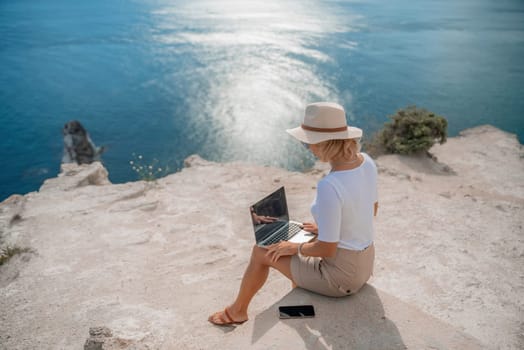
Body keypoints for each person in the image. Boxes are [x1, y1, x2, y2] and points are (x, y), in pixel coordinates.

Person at [208, 102, 378, 325]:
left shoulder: (331, 185)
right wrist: (324, 229)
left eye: (309, 143)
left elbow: (327, 249)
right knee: (297, 235)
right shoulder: (367, 162)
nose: (307, 147)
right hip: (364, 265)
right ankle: (300, 294)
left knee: (262, 251)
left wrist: (294, 247)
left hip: (341, 279)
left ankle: (237, 312)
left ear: (325, 143)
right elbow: (370, 210)